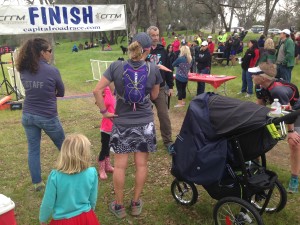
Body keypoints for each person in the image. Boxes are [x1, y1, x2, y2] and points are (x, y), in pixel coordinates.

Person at [93, 32, 162, 218]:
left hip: (122, 122)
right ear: (148, 50)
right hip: (145, 123)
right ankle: (136, 203)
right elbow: (155, 96)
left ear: (132, 46)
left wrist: (104, 112)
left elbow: (97, 90)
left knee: (121, 166)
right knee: (141, 165)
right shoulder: (153, 69)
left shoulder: (116, 66)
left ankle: (119, 206)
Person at [16, 38, 65, 191]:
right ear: (42, 53)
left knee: (33, 149)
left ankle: (37, 183)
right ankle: (75, 171)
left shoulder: (23, 69)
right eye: (49, 51)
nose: (51, 54)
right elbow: (61, 92)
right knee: (64, 146)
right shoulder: (52, 70)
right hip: (47, 116)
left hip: (28, 115)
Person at [250, 62, 300, 193]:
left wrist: (290, 132)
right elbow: (260, 105)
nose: (251, 76)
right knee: (256, 130)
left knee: (294, 143)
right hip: (281, 112)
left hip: (295, 113)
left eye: (254, 74)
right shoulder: (259, 86)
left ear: (264, 78)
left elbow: (289, 112)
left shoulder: (278, 90)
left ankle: (295, 178)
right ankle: (255, 165)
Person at [39, 134, 100, 225]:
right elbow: (93, 197)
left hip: (62, 220)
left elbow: (48, 202)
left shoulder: (55, 177)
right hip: (86, 217)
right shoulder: (92, 172)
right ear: (85, 154)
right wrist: (91, 209)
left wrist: (43, 219)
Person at [147, 26, 174, 150]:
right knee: (146, 116)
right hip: (146, 88)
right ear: (148, 36)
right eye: (153, 35)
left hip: (161, 87)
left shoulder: (163, 51)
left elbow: (168, 69)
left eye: (157, 35)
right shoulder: (143, 50)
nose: (156, 37)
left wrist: (171, 87)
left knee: (163, 115)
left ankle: (168, 141)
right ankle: (148, 141)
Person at [98, 85, 115, 180]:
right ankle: (101, 169)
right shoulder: (106, 89)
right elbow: (104, 103)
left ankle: (107, 166)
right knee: (104, 147)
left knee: (109, 146)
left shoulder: (120, 89)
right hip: (107, 126)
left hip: (116, 125)